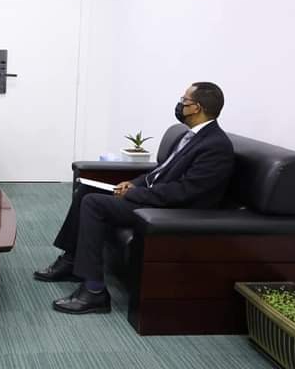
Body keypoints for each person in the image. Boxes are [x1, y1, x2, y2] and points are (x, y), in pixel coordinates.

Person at [35, 82, 235, 315]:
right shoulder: (188, 135)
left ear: (197, 107)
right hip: (155, 197)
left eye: (184, 100)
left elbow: (185, 192)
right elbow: (161, 171)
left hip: (173, 212)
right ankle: (72, 260)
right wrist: (135, 183)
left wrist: (135, 194)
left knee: (94, 204)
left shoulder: (216, 146)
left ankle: (94, 291)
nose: (180, 104)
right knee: (87, 190)